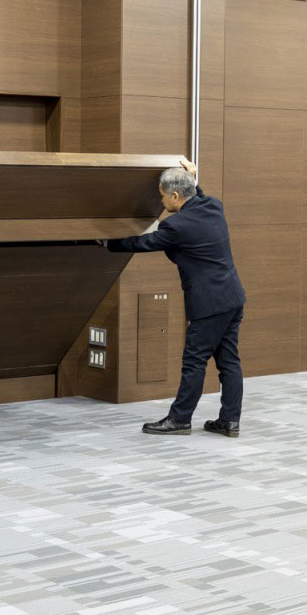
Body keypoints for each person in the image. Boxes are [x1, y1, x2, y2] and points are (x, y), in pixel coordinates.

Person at [105, 159, 245, 438]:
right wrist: (193, 177)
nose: (161, 200)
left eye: (162, 195)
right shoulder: (213, 206)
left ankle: (180, 420)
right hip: (232, 296)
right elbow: (199, 196)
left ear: (175, 196)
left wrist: (106, 241)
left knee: (194, 361)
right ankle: (229, 421)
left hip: (208, 304)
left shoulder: (177, 226)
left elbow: (142, 243)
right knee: (229, 362)